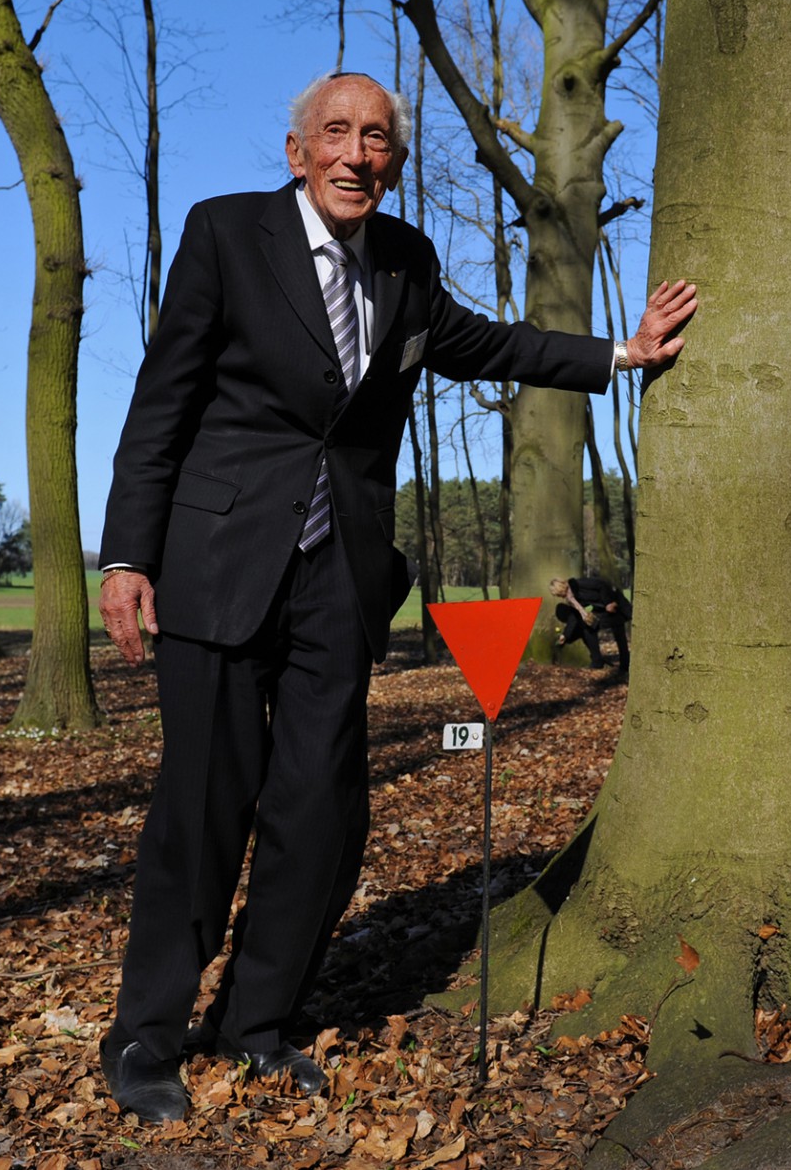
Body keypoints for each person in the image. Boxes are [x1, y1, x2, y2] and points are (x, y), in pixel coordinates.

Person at [94, 70, 696, 1124]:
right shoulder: (225, 234)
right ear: (299, 152)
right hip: (219, 564)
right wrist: (125, 555)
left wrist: (622, 351)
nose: (357, 154)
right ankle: (147, 1035)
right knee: (202, 809)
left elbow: (490, 343)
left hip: (342, 576)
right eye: (337, 133)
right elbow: (164, 398)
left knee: (321, 810)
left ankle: (259, 1023)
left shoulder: (407, 261)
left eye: (377, 138)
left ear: (396, 162)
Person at [549, 574, 631, 670]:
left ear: (560, 588)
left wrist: (608, 602)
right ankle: (599, 662)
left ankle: (625, 664)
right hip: (604, 610)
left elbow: (602, 584)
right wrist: (565, 635)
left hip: (615, 603)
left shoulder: (578, 584)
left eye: (557, 594)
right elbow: (574, 617)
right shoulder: (572, 600)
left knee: (620, 632)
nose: (559, 596)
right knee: (588, 628)